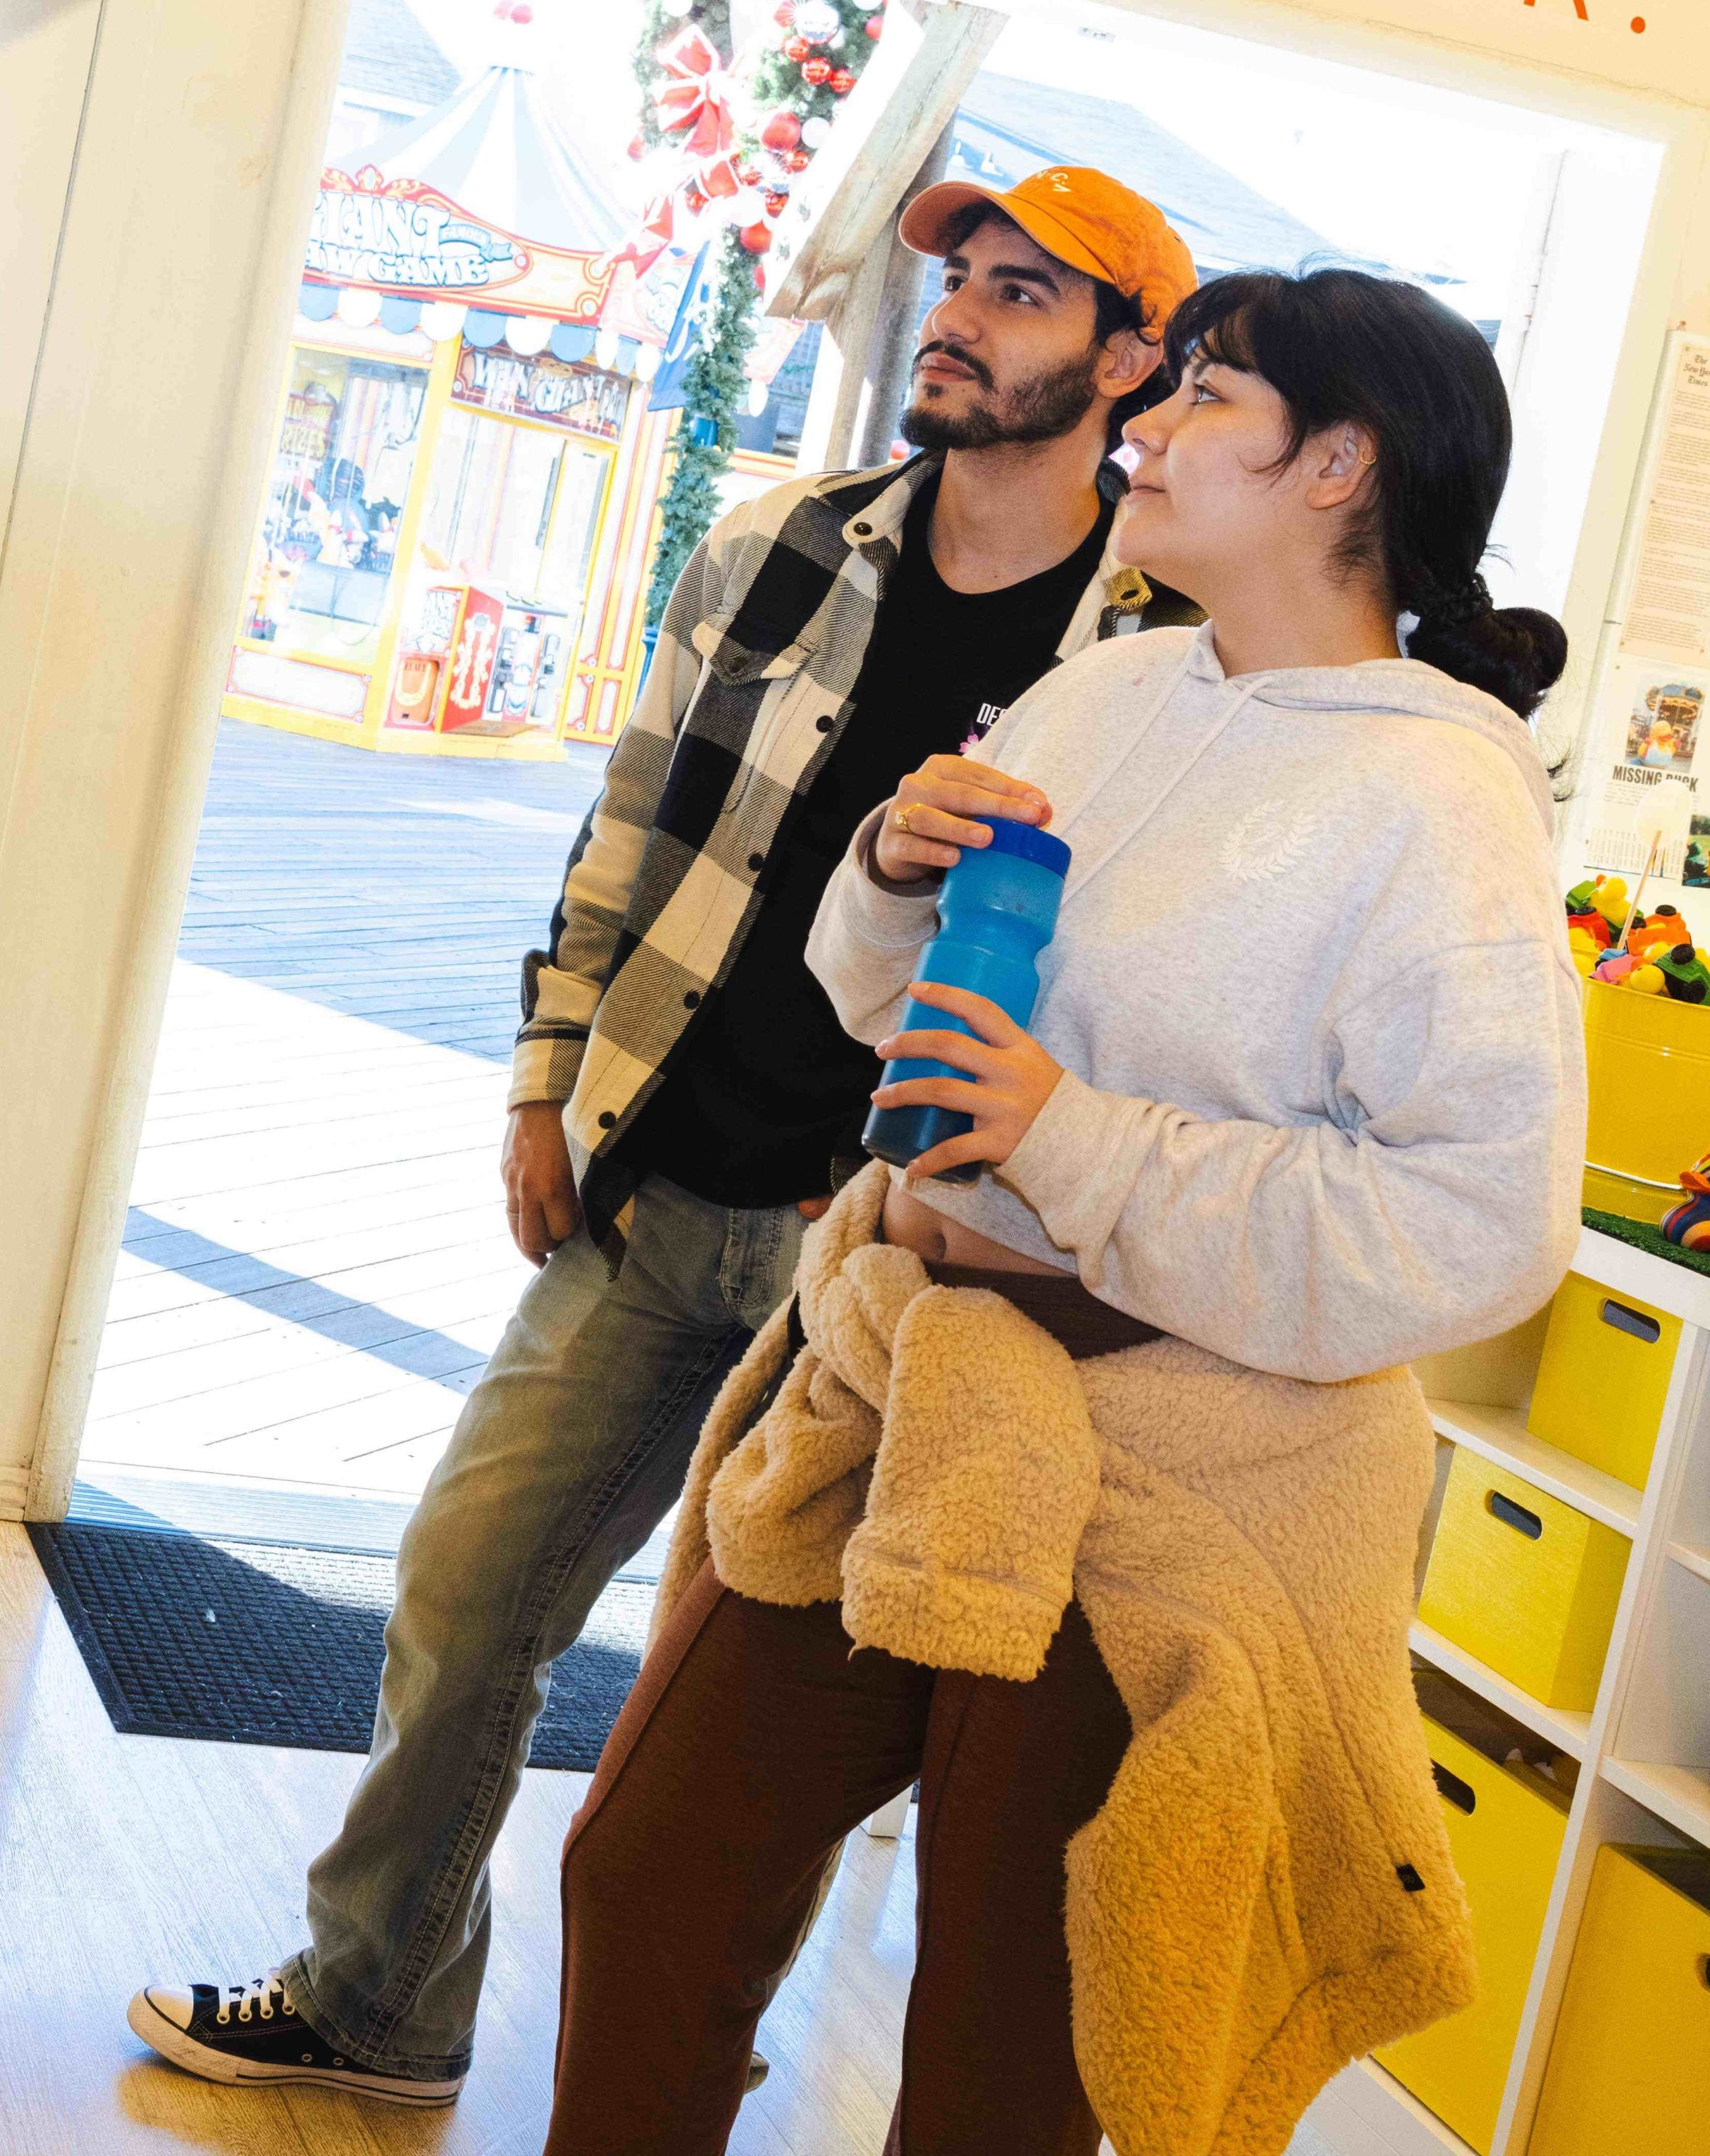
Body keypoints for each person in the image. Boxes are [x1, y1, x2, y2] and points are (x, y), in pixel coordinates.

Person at [129, 165, 1202, 2103]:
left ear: (1133, 361)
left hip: (880, 1261)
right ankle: (378, 1997)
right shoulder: (785, 544)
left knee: (747, 1732)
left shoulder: (1163, 656)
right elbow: (629, 826)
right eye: (957, 279)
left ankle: (673, 2071)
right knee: (466, 1585)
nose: (957, 316)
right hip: (655, 1185)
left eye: (1024, 295)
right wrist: (548, 1079)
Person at [547, 268, 1583, 2155]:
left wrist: (1079, 1139)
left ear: (1340, 464)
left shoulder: (1437, 797)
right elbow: (902, 1011)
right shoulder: (1107, 685)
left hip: (1171, 1462)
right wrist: (883, 869)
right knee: (647, 1870)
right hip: (907, 1381)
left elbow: (1479, 1219)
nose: (1146, 428)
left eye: (1206, 401)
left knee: (1002, 2054)